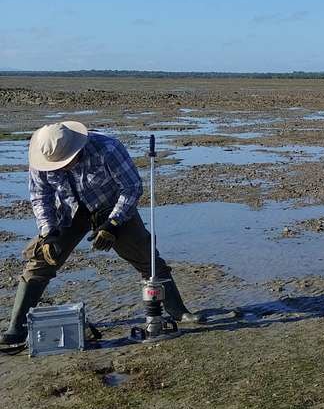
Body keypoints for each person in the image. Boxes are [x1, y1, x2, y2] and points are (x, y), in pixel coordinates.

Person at [1, 121, 201, 346]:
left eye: (66, 162)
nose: (62, 167)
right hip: (68, 212)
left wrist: (113, 224)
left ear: (78, 149)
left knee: (147, 257)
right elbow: (40, 197)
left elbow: (132, 187)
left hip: (111, 207)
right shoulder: (42, 157)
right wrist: (48, 232)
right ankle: (17, 327)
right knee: (40, 261)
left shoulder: (108, 148)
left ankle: (177, 311)